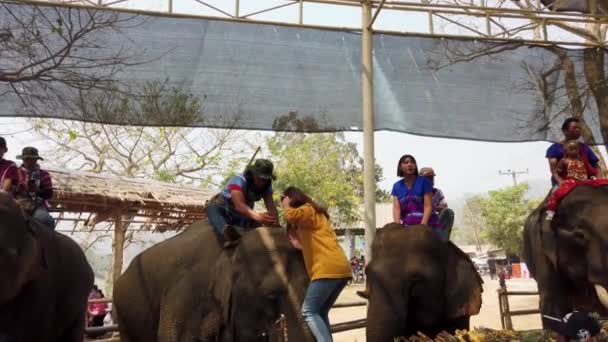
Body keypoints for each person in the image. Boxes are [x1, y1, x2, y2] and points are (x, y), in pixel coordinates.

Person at [281, 186, 352, 342]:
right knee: (320, 312)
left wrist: (285, 204)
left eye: (285, 199)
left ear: (293, 198)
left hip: (327, 268)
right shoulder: (314, 216)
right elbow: (317, 240)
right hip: (340, 267)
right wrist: (301, 246)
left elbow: (291, 216)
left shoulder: (308, 209)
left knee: (308, 311)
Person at [206, 159, 279, 247]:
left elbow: (270, 205)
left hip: (244, 217)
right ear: (253, 174)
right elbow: (239, 205)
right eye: (259, 178)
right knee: (212, 208)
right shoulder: (238, 180)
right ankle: (225, 231)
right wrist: (258, 217)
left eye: (265, 179)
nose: (262, 182)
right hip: (225, 210)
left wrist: (274, 222)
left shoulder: (267, 186)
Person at [392, 155, 444, 240]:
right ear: (400, 167)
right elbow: (396, 209)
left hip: (427, 224)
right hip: (407, 226)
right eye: (406, 162)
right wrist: (398, 228)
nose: (410, 164)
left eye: (412, 162)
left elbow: (428, 206)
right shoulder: (396, 186)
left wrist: (422, 226)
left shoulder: (424, 182)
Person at [546, 140, 600, 220]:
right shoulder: (564, 161)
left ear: (578, 150)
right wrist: (560, 179)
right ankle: (551, 210)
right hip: (571, 182)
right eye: (571, 149)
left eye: (576, 149)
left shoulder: (582, 161)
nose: (574, 151)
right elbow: (557, 171)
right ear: (566, 151)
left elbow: (590, 170)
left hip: (584, 182)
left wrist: (594, 175)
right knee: (557, 194)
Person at [546, 118, 600, 188]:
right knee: (555, 196)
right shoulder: (554, 149)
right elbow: (554, 171)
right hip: (563, 183)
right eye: (574, 128)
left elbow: (596, 166)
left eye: (579, 128)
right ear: (565, 131)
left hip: (585, 183)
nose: (578, 130)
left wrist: (599, 180)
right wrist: (560, 182)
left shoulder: (584, 148)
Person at [14, 147, 55, 230]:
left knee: (45, 220)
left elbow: (49, 194)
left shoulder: (44, 174)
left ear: (36, 160)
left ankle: (46, 242)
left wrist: (37, 191)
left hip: (37, 205)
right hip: (17, 204)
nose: (29, 162)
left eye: (32, 159)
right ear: (23, 159)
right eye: (27, 159)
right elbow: (7, 190)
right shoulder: (15, 172)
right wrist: (17, 189)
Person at [420, 167, 455, 241]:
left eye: (431, 178)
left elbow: (444, 206)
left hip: (434, 222)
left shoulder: (437, 192)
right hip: (419, 222)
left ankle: (441, 239)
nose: (430, 180)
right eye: (427, 178)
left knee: (448, 212)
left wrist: (432, 207)